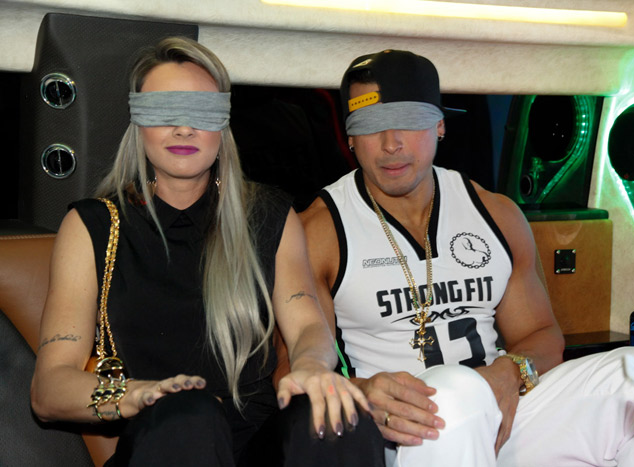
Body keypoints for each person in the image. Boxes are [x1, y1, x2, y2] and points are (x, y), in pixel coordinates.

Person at [300, 49, 634, 466]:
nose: (390, 143)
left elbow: (543, 336)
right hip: (402, 435)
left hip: (502, 413)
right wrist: (362, 392)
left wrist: (509, 374)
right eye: (370, 124)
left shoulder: (495, 213)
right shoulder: (320, 230)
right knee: (453, 392)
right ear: (349, 135)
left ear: (439, 124)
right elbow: (294, 373)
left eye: (409, 119)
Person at [30, 37, 384, 466]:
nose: (184, 128)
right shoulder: (93, 226)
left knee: (338, 417)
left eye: (201, 111)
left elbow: (308, 324)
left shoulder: (269, 215)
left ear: (223, 122)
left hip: (259, 445)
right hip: (162, 441)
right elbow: (49, 389)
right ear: (138, 122)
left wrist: (311, 365)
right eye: (164, 111)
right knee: (189, 415)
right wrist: (141, 394)